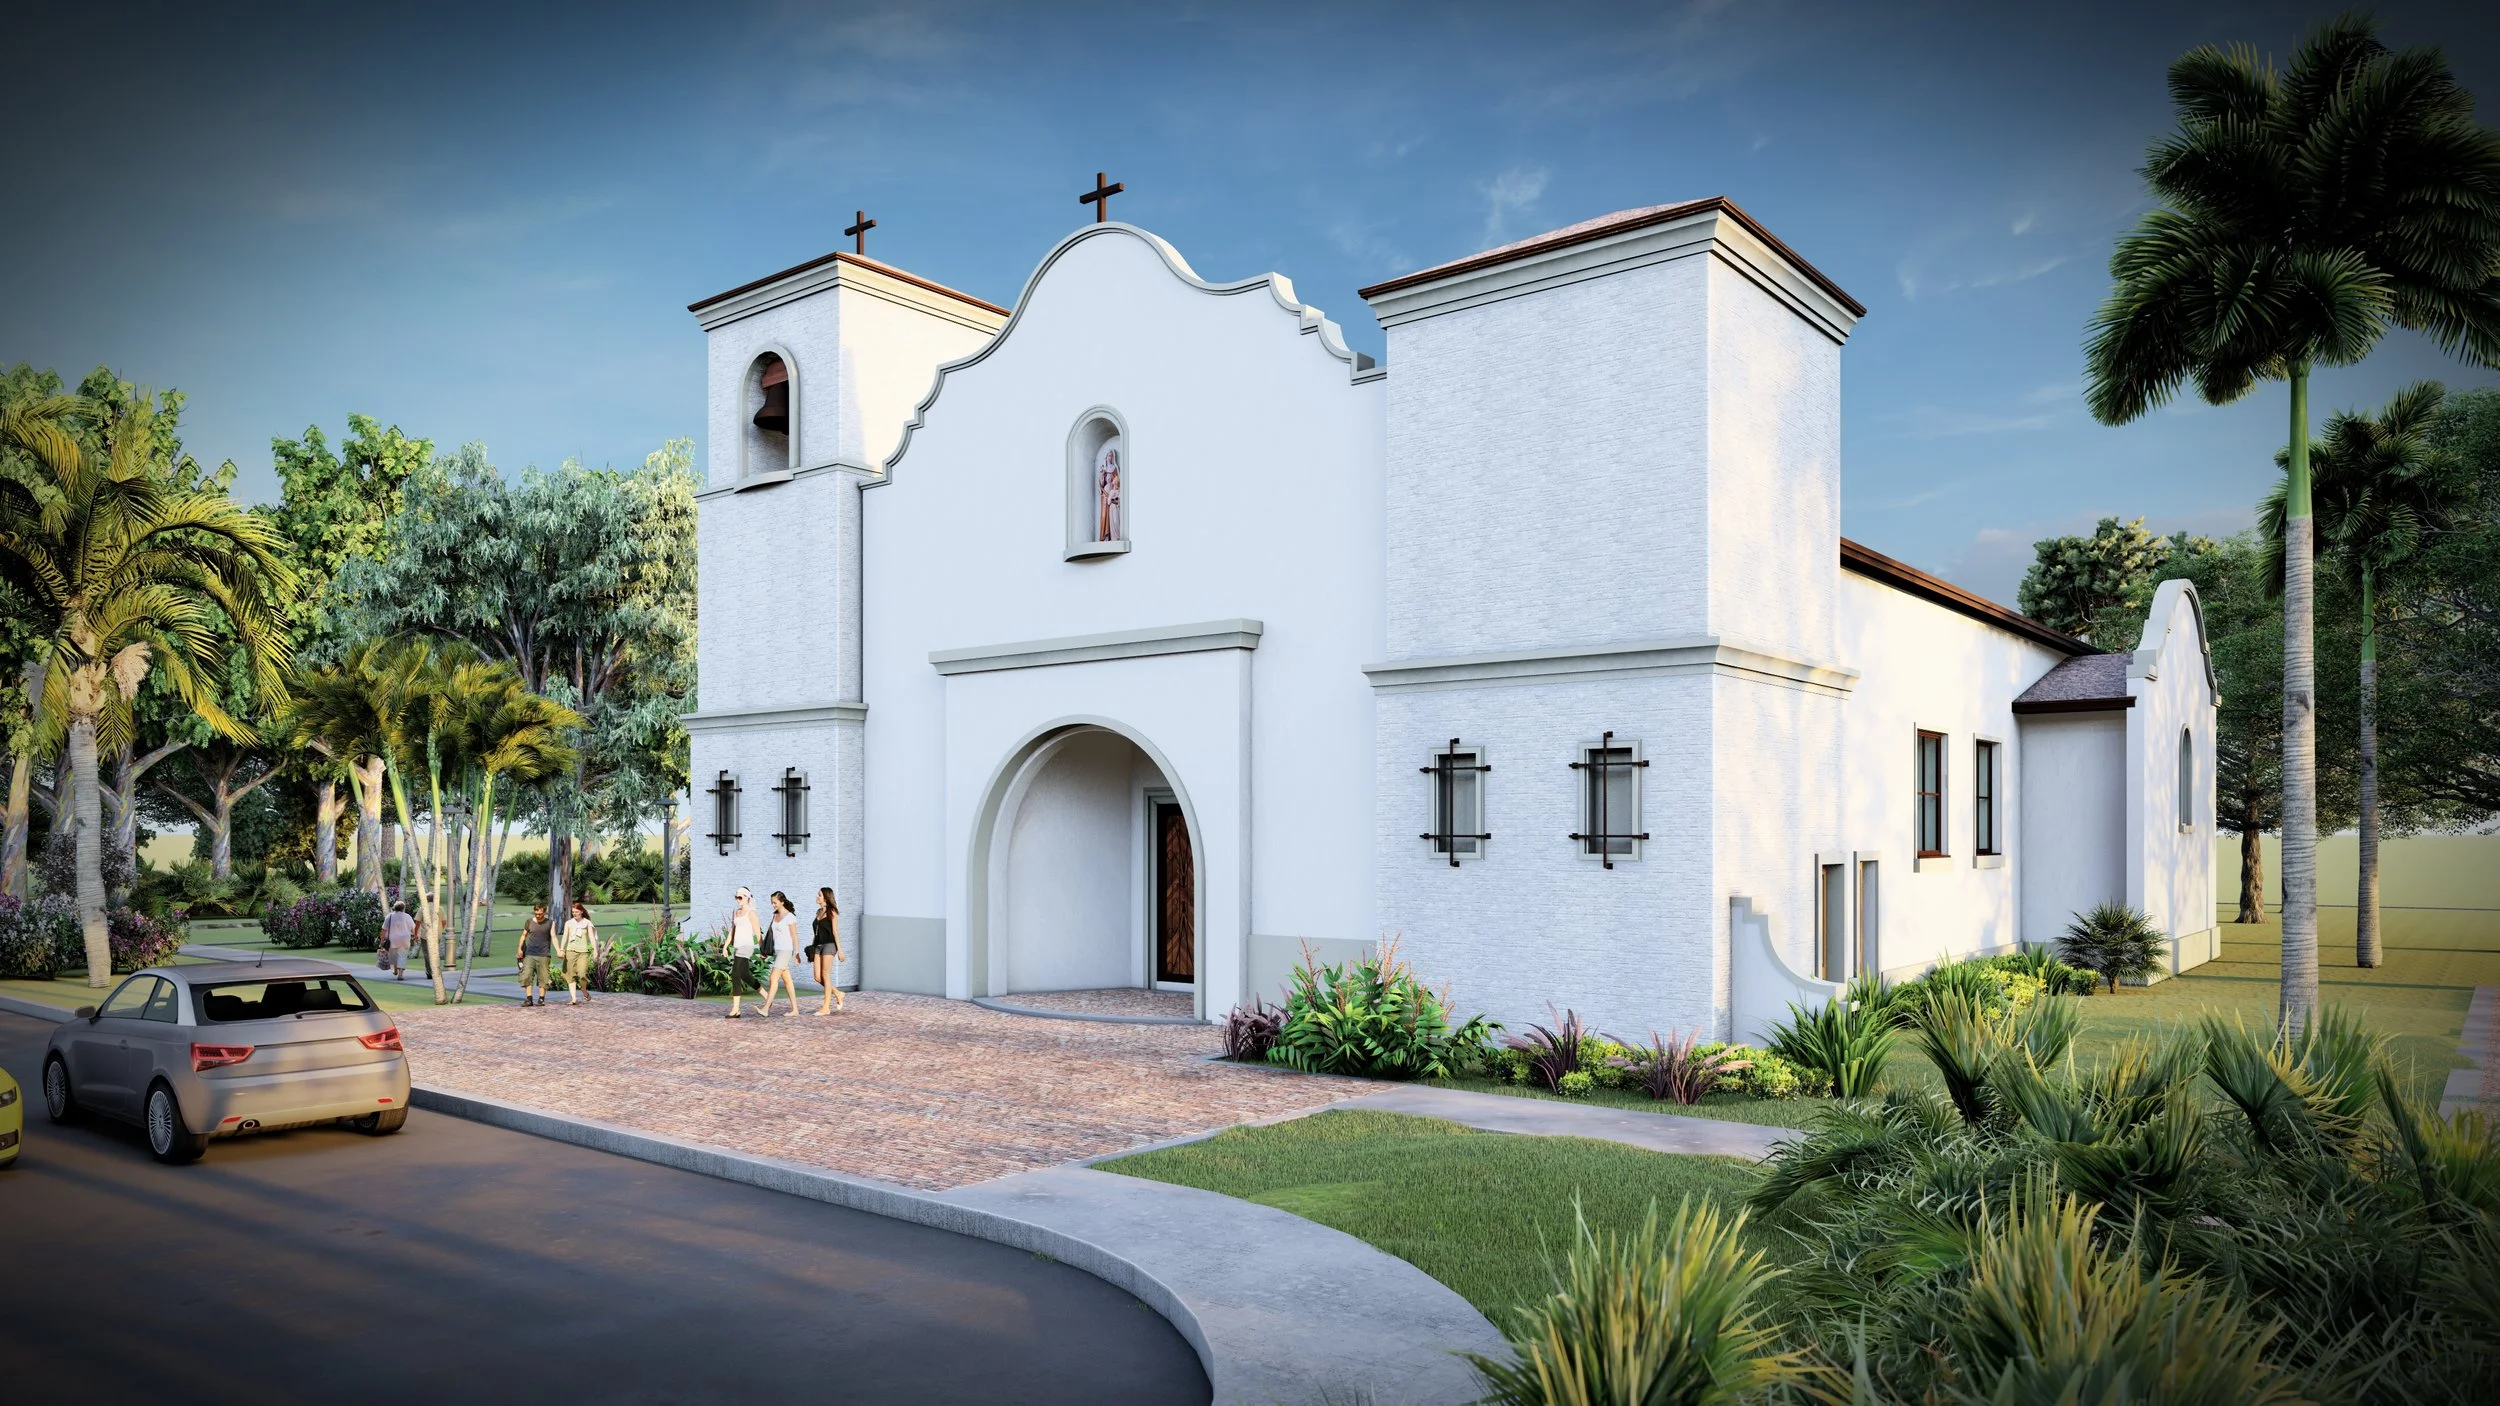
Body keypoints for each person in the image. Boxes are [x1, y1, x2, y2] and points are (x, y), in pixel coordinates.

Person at [755, 891, 801, 1016]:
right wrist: (764, 951)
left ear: (782, 902)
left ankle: (766, 1008)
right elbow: (771, 935)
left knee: (773, 978)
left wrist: (796, 952)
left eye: (775, 902)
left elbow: (794, 936)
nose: (773, 905)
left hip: (786, 951)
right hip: (777, 951)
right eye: (772, 903)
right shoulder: (775, 915)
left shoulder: (790, 917)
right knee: (787, 981)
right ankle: (795, 1010)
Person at [722, 888, 760, 1019]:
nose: (738, 900)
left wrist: (763, 950)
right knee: (745, 975)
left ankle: (736, 1009)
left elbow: (758, 933)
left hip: (746, 946)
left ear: (747, 897)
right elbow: (732, 931)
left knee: (735, 974)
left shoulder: (751, 913)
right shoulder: (737, 912)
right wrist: (725, 946)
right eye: (736, 897)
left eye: (740, 897)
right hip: (737, 947)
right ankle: (767, 996)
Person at [808, 886, 845, 1016]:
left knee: (825, 974)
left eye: (819, 895)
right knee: (817, 977)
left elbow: (835, 932)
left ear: (826, 897)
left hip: (829, 945)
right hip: (818, 946)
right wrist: (812, 947)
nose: (817, 896)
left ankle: (826, 1007)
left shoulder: (832, 912)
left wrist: (840, 951)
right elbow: (816, 933)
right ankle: (838, 993)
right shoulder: (818, 912)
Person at [559, 901, 599, 1006]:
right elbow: (565, 936)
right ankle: (574, 998)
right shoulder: (568, 923)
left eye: (576, 912)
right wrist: (561, 949)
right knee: (570, 975)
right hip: (570, 951)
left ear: (581, 911)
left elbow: (591, 937)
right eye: (573, 912)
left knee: (582, 974)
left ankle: (584, 990)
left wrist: (595, 950)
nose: (574, 914)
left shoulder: (587, 923)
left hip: (583, 952)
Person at [516, 904, 554, 1007]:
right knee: (526, 975)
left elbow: (554, 937)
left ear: (544, 912)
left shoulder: (550, 923)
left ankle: (541, 999)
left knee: (544, 977)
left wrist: (559, 950)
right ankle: (529, 999)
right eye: (536, 913)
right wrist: (520, 948)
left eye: (540, 914)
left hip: (544, 954)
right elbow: (523, 935)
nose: (538, 915)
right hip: (530, 954)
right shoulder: (529, 922)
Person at [380, 902, 416, 981]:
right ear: (403, 908)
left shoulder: (389, 916)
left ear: (394, 908)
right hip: (405, 939)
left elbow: (383, 929)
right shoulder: (407, 916)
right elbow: (413, 928)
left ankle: (395, 969)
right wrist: (415, 935)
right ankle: (400, 974)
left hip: (393, 939)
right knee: (402, 956)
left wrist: (382, 939)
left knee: (394, 955)